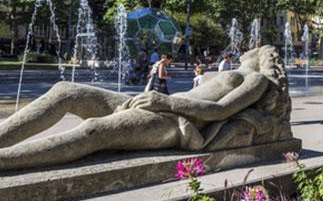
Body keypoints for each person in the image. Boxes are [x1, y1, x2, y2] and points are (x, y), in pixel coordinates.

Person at [0, 46, 293, 170]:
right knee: (66, 90)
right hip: (159, 105)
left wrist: (165, 101)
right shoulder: (237, 70)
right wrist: (158, 99)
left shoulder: (256, 80)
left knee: (95, 130)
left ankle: (5, 160)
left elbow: (221, 111)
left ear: (266, 57)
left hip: (175, 120)